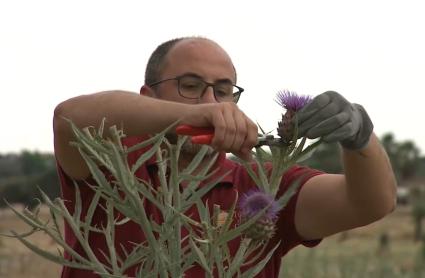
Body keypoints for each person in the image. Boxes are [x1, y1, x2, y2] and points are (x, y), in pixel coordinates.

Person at [53, 36, 397, 277]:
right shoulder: (112, 165)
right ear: (149, 96)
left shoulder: (263, 190)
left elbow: (371, 202)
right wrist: (186, 118)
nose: (210, 101)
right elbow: (68, 118)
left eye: (222, 90)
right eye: (190, 86)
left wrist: (360, 136)